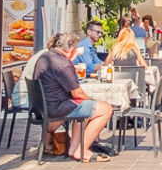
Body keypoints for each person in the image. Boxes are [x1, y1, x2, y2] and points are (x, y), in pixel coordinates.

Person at [30, 33, 112, 161]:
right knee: (105, 109)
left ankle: (74, 149)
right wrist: (93, 102)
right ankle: (82, 150)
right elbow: (77, 93)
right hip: (57, 107)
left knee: (86, 107)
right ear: (72, 50)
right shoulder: (63, 64)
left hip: (43, 105)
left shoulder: (45, 56)